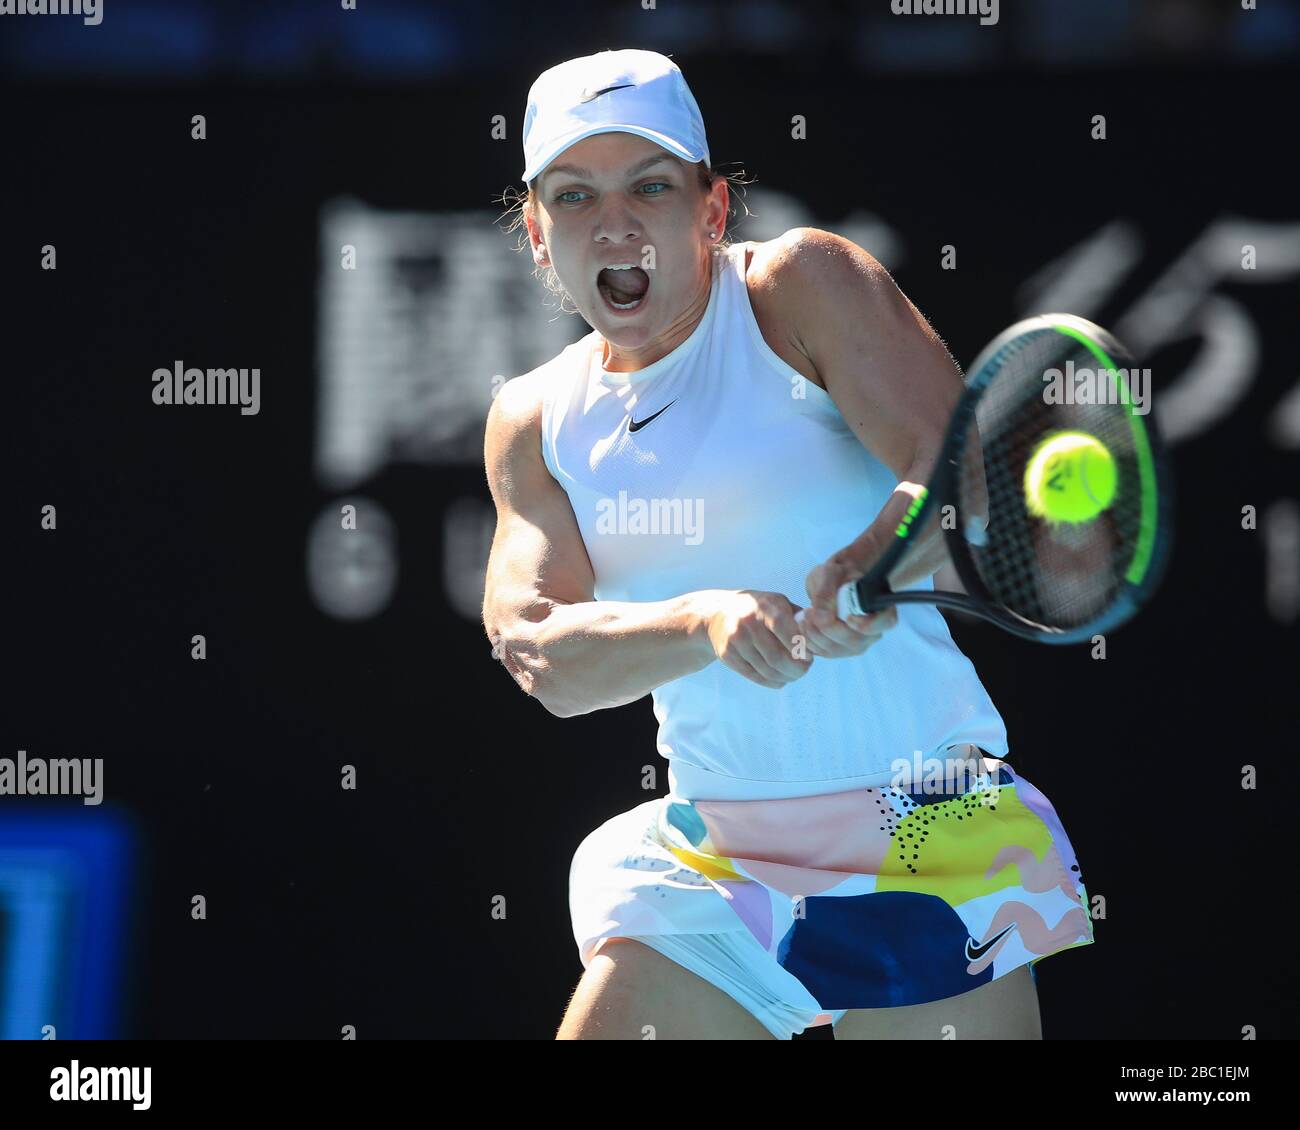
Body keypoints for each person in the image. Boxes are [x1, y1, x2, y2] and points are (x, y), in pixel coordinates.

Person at [483, 48, 1094, 1040]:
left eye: (651, 185)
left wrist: (877, 559)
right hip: (716, 863)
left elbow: (956, 475)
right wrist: (704, 621)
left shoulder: (800, 284)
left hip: (928, 829)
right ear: (540, 235)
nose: (615, 223)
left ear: (712, 208)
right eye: (574, 195)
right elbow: (542, 654)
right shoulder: (534, 420)